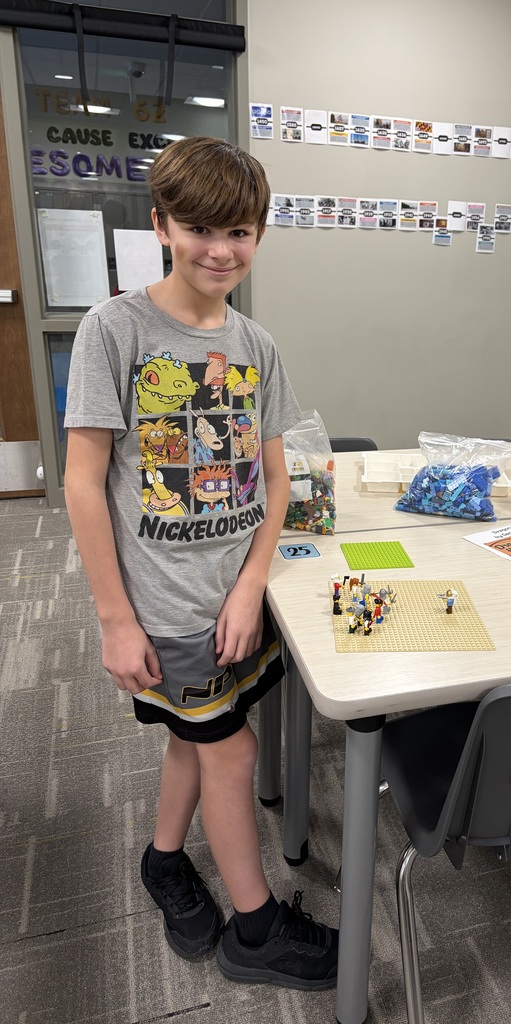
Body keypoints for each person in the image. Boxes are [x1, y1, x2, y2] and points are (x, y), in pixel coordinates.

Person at [63, 136, 338, 990]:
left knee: (196, 735)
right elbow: (81, 484)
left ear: (259, 236)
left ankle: (163, 858)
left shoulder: (256, 343)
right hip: (170, 606)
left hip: (238, 600)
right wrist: (115, 619)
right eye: (200, 229)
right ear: (162, 226)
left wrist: (254, 581)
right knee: (231, 751)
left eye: (241, 232)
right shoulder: (115, 329)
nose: (221, 250)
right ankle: (255, 931)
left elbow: (279, 472)